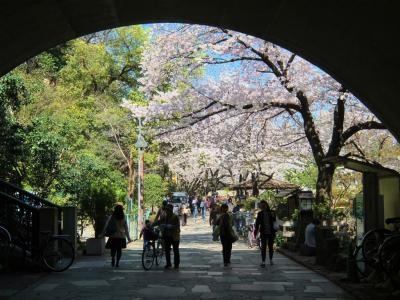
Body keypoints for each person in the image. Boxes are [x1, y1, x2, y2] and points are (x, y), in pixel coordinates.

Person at [254, 200, 276, 267]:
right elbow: (257, 223)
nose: (263, 206)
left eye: (264, 205)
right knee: (263, 247)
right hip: (263, 232)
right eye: (262, 205)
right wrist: (255, 231)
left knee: (270, 246)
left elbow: (275, 221)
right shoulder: (260, 213)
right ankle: (263, 261)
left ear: (266, 205)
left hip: (271, 232)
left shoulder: (272, 212)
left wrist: (273, 216)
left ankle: (271, 259)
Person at [159, 204, 180, 269]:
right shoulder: (165, 217)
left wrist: (170, 226)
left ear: (171, 210)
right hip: (167, 236)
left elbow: (177, 226)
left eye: (168, 210)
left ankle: (176, 264)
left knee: (175, 250)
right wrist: (152, 225)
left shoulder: (175, 217)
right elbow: (159, 221)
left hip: (175, 236)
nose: (167, 212)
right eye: (166, 210)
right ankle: (168, 263)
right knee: (167, 250)